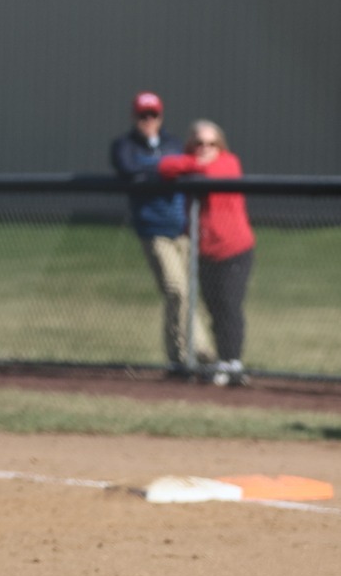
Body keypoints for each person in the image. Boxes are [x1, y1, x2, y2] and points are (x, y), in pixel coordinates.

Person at [109, 91, 209, 375]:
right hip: (153, 228)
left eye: (153, 115)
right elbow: (129, 170)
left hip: (182, 227)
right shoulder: (124, 145)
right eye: (143, 115)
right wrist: (167, 168)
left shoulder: (174, 142)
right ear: (134, 116)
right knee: (176, 289)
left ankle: (195, 355)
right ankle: (184, 356)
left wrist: (163, 169)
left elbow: (193, 169)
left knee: (187, 293)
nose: (148, 120)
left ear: (161, 116)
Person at [158, 120, 254, 387]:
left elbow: (212, 173)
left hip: (235, 248)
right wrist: (192, 164)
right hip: (205, 251)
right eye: (199, 143)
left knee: (230, 306)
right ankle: (224, 361)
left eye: (211, 143)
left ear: (220, 145)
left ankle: (233, 362)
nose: (205, 148)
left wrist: (190, 166)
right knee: (214, 308)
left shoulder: (229, 162)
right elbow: (164, 166)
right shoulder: (192, 162)